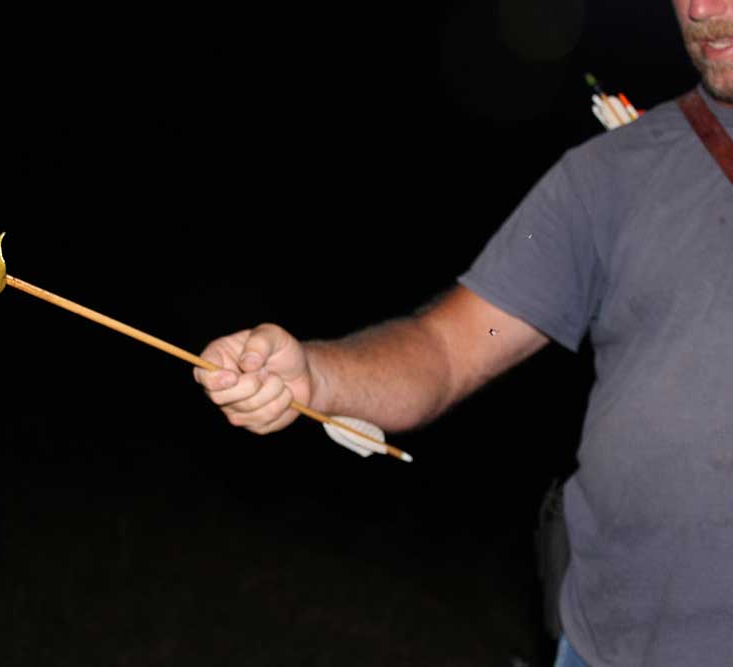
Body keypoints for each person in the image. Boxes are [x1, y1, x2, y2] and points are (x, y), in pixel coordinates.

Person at [193, 2, 733, 665]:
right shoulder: (616, 172)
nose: (702, 10)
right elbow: (447, 350)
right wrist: (315, 374)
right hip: (608, 646)